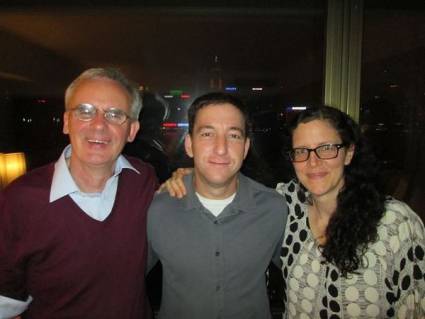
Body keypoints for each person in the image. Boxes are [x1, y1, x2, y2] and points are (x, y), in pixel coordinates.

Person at [162, 105, 425, 318]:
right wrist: (193, 175)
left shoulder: (394, 224)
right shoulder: (285, 205)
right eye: (301, 151)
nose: (313, 161)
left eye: (326, 148)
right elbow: (232, 186)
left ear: (348, 152)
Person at [0, 68, 158, 319]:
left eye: (115, 114)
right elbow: (5, 301)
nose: (98, 124)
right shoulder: (20, 200)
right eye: (85, 111)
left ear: (132, 130)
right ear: (66, 122)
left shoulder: (144, 180)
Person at [147, 92, 287, 319]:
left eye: (233, 135)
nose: (221, 148)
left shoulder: (274, 208)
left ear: (245, 147)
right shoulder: (158, 210)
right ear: (190, 145)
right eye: (208, 134)